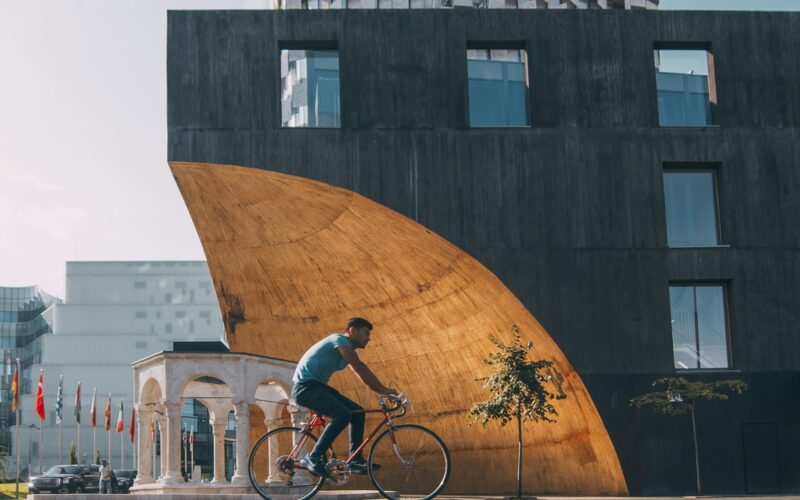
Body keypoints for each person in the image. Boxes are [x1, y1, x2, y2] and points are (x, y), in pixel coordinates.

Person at [292, 317, 397, 477]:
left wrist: (381, 391)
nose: (369, 338)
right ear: (352, 330)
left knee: (358, 411)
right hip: (305, 388)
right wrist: (384, 390)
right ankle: (313, 456)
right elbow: (360, 368)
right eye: (366, 333)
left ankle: (355, 459)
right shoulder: (338, 340)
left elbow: (361, 374)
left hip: (317, 387)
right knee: (342, 414)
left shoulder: (348, 351)